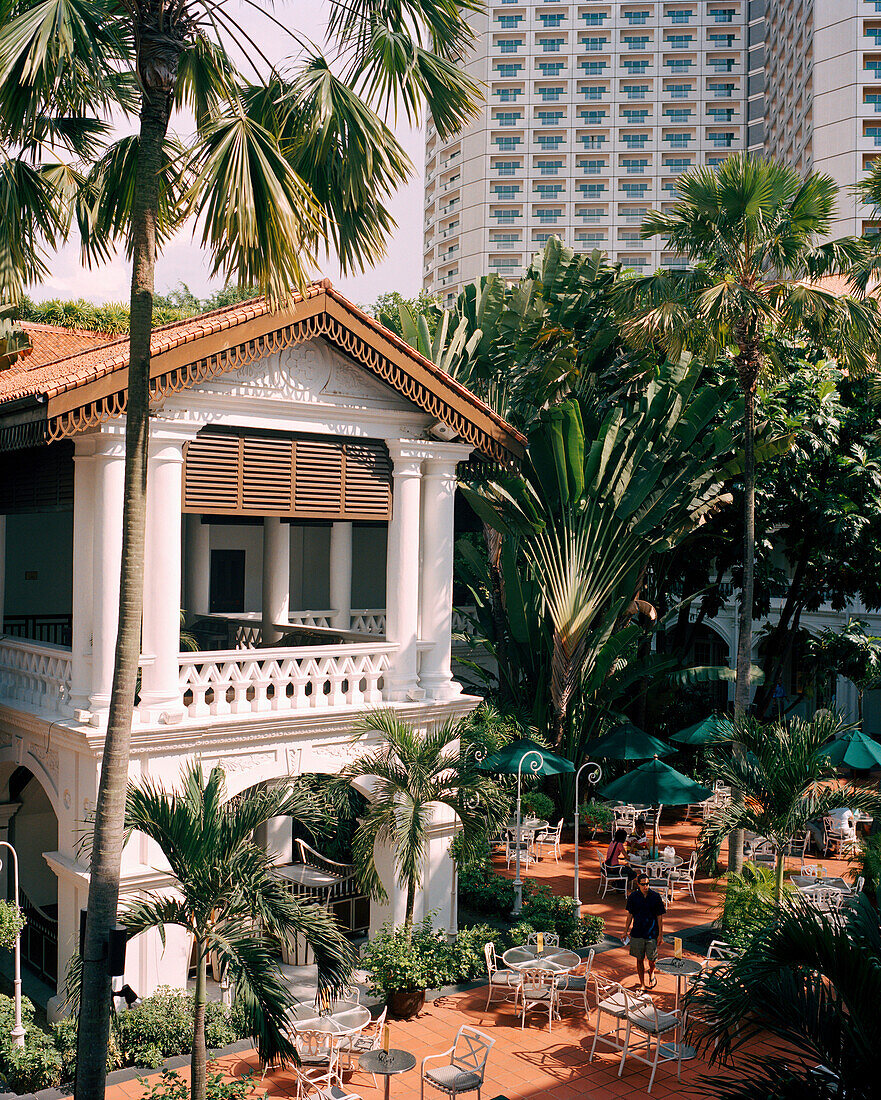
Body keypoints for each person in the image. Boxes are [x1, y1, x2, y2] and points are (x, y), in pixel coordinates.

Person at [624, 873, 666, 990]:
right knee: (639, 959)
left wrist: (660, 935)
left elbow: (659, 917)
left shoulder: (655, 897)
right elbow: (630, 915)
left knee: (652, 960)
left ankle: (651, 972)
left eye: (647, 884)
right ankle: (642, 984)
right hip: (637, 933)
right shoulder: (633, 897)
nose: (645, 886)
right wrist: (625, 931)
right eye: (643, 884)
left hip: (652, 934)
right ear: (638, 884)